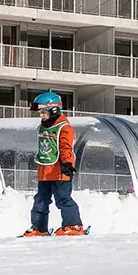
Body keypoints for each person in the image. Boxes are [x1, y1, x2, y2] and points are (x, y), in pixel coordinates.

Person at [23, 92, 87, 236]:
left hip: (60, 171)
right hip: (45, 172)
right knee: (40, 200)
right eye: (40, 113)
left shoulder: (64, 128)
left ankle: (74, 225)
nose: (41, 116)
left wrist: (67, 163)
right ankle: (39, 228)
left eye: (44, 112)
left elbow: (66, 147)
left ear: (54, 110)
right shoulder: (42, 127)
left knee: (63, 199)